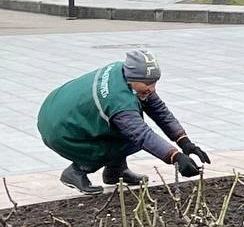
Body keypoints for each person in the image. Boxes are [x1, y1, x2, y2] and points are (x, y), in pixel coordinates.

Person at [37, 49, 210, 195]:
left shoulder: (125, 72)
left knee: (125, 130)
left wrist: (185, 142)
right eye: (148, 83)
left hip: (54, 108)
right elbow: (142, 135)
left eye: (155, 82)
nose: (152, 88)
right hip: (60, 131)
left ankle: (115, 171)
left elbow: (159, 110)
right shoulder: (118, 100)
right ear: (134, 78)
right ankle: (76, 171)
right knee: (130, 136)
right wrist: (176, 158)